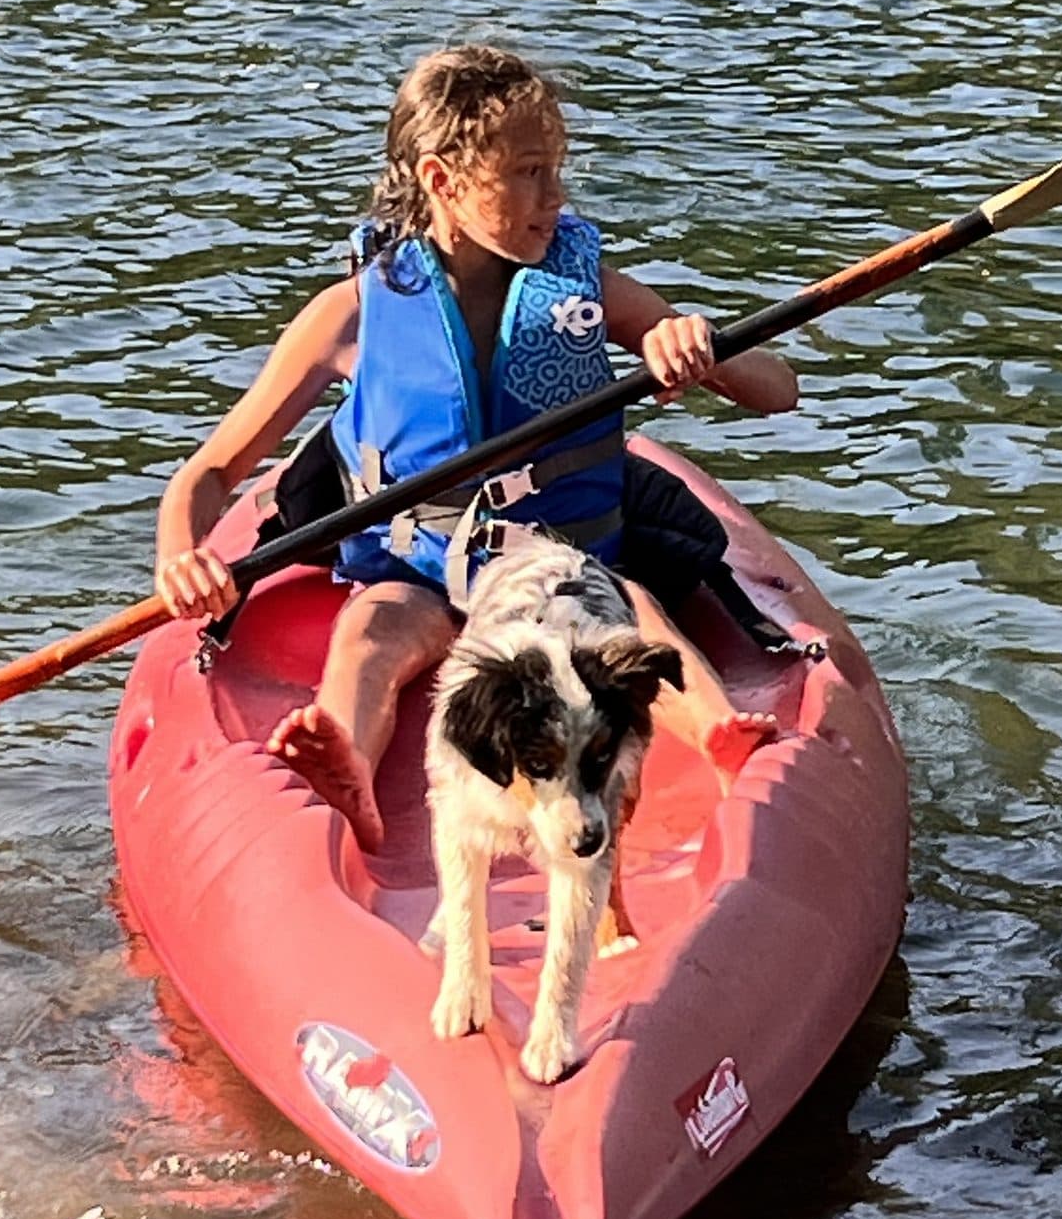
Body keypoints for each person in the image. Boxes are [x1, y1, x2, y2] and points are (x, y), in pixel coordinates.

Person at [154, 44, 801, 856]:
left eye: (555, 169)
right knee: (370, 633)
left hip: (560, 568)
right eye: (528, 172)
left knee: (630, 616)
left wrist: (695, 343)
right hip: (416, 569)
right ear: (442, 180)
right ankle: (345, 758)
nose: (553, 195)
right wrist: (182, 556)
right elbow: (210, 472)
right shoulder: (351, 313)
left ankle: (717, 738)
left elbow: (778, 389)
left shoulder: (587, 288)